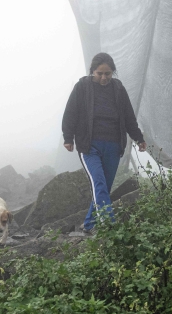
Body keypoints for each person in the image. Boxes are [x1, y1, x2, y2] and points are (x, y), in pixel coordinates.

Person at [62, 52, 147, 232]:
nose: (103, 77)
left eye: (107, 74)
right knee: (98, 183)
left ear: (112, 72)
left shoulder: (118, 88)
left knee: (104, 188)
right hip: (89, 145)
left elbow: (128, 116)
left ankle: (89, 225)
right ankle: (110, 227)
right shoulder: (82, 87)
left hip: (113, 145)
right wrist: (68, 137)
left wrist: (138, 137)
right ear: (92, 71)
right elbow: (70, 113)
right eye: (99, 73)